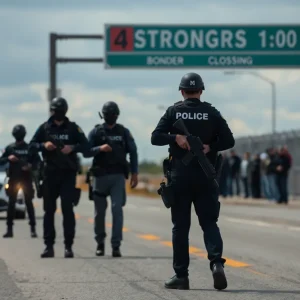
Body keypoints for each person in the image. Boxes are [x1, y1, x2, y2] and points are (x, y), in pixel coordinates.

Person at [151, 72, 235, 290]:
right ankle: (216, 263)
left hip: (180, 177)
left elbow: (155, 137)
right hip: (205, 178)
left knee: (180, 227)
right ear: (201, 91)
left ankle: (181, 276)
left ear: (181, 91)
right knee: (209, 223)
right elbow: (229, 139)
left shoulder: (173, 111)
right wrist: (210, 146)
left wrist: (173, 138)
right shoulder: (212, 112)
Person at [29, 97, 89, 258]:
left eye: (60, 111)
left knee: (67, 209)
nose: (58, 114)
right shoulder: (44, 128)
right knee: (49, 211)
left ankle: (68, 246)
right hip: (49, 174)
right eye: (55, 111)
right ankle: (49, 246)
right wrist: (43, 145)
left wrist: (72, 148)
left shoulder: (73, 128)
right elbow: (31, 146)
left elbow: (87, 147)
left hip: (68, 174)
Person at [84, 101, 138, 257]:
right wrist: (99, 148)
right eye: (108, 114)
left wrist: (135, 173)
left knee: (117, 209)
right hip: (100, 177)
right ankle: (100, 243)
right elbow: (86, 151)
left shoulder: (123, 132)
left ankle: (116, 245)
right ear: (103, 115)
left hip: (117, 177)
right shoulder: (96, 132)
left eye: (113, 114)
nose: (111, 117)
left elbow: (133, 152)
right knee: (99, 213)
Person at [0, 125, 40, 238]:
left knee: (29, 204)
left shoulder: (29, 148)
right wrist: (8, 158)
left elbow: (38, 162)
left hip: (26, 180)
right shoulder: (10, 148)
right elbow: (1, 161)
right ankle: (9, 230)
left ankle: (33, 229)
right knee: (11, 205)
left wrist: (30, 166)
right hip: (13, 180)